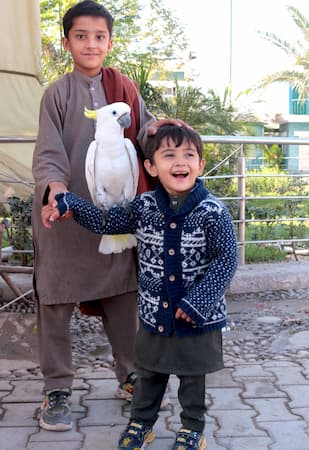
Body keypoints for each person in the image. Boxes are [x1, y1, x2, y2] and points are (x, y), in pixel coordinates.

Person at [32, 0, 182, 432]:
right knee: (56, 301)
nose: (90, 44)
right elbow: (48, 152)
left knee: (122, 293)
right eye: (81, 36)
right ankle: (57, 388)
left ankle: (131, 375)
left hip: (115, 218)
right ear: (66, 43)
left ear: (110, 42)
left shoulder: (125, 88)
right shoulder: (56, 94)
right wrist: (56, 191)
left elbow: (144, 131)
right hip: (62, 218)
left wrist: (161, 133)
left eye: (99, 37)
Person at [50, 124, 238, 449]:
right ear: (151, 167)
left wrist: (198, 302)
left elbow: (226, 260)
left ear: (200, 164)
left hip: (198, 319)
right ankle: (141, 424)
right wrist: (72, 203)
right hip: (153, 318)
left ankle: (192, 428)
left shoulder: (213, 213)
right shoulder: (144, 208)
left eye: (188, 155)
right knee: (149, 374)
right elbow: (108, 223)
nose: (180, 162)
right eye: (169, 155)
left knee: (193, 379)